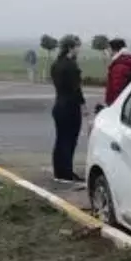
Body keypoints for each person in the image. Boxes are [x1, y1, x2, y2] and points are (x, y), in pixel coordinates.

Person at [50, 40, 85, 184]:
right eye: (77, 47)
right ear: (71, 48)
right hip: (70, 107)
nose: (79, 50)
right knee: (69, 141)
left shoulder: (56, 64)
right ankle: (67, 173)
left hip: (59, 105)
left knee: (60, 140)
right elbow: (75, 89)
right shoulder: (71, 66)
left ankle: (59, 171)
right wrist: (84, 106)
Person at [103, 38, 131, 106]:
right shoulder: (126, 61)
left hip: (118, 104)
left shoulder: (119, 67)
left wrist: (115, 106)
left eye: (108, 49)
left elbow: (117, 89)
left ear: (114, 50)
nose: (107, 52)